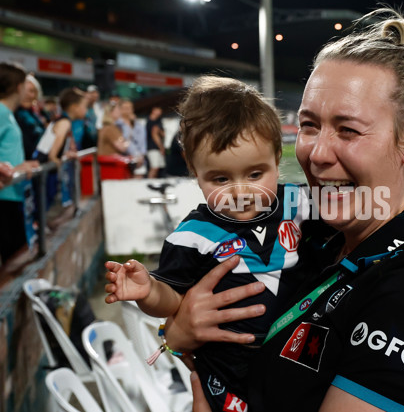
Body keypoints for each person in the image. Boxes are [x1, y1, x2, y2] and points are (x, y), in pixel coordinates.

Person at [163, 8, 404, 412]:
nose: (317, 152)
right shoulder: (310, 229)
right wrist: (178, 330)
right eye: (309, 125)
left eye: (348, 130)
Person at [104, 76, 319, 411]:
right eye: (220, 178)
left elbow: (357, 213)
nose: (240, 191)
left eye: (254, 175)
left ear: (278, 159)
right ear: (194, 169)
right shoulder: (192, 235)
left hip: (297, 356)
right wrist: (148, 292)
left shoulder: (301, 203)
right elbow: (172, 299)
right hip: (228, 367)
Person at [0, 62, 40, 264]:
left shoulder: (7, 113)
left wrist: (21, 165)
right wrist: (13, 170)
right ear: (18, 87)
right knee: (13, 257)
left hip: (13, 194)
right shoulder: (1, 111)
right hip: (5, 196)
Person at [33, 87, 86, 209]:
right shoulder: (64, 122)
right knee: (44, 202)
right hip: (44, 166)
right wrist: (54, 158)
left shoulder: (63, 120)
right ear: (74, 107)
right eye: (84, 106)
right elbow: (55, 145)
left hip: (44, 165)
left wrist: (65, 154)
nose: (85, 110)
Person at [14, 74, 45, 160]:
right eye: (24, 91)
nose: (28, 95)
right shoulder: (11, 114)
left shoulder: (36, 116)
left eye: (32, 91)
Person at [117, 99, 147, 178]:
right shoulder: (118, 124)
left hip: (139, 158)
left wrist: (141, 155)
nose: (128, 110)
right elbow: (123, 139)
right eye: (125, 108)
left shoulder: (137, 124)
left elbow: (142, 140)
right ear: (120, 109)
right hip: (124, 158)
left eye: (129, 108)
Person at [145, 106, 165, 178]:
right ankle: (149, 182)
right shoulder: (152, 122)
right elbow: (155, 135)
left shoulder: (156, 121)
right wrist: (161, 147)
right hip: (153, 147)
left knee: (157, 167)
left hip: (154, 148)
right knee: (154, 167)